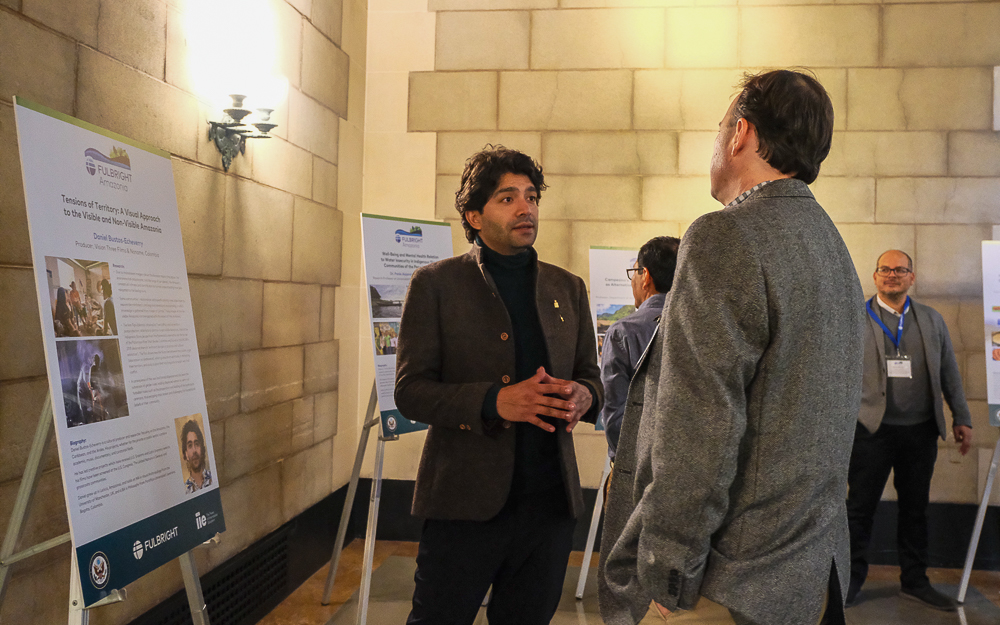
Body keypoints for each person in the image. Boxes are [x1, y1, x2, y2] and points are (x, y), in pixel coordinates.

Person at [599, 69, 865, 625]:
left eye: (720, 128)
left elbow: (699, 428)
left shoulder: (725, 235)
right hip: (811, 574)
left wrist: (665, 574)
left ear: (740, 133)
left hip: (729, 582)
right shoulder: (829, 242)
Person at [395, 145, 603, 625]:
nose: (526, 207)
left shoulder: (567, 287)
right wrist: (494, 400)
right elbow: (410, 390)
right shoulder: (435, 285)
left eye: (531, 197)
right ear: (474, 214)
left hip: (550, 508)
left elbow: (591, 376)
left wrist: (584, 395)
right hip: (464, 507)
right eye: (507, 198)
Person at [845, 250, 973, 611]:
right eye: (885, 269)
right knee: (859, 509)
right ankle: (851, 581)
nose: (892, 275)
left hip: (919, 432)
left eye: (900, 270)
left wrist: (961, 417)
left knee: (915, 510)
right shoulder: (856, 318)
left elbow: (949, 372)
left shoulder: (931, 320)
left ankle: (915, 581)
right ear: (875, 276)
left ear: (911, 278)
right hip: (871, 430)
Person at [601, 236, 679, 459]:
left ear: (645, 276)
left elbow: (616, 415)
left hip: (638, 467)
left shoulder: (623, 332)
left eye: (634, 272)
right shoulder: (704, 326)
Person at [181, 419, 213, 492]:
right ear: (186, 453)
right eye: (190, 446)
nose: (194, 450)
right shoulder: (185, 490)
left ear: (201, 449)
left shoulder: (213, 478)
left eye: (197, 444)